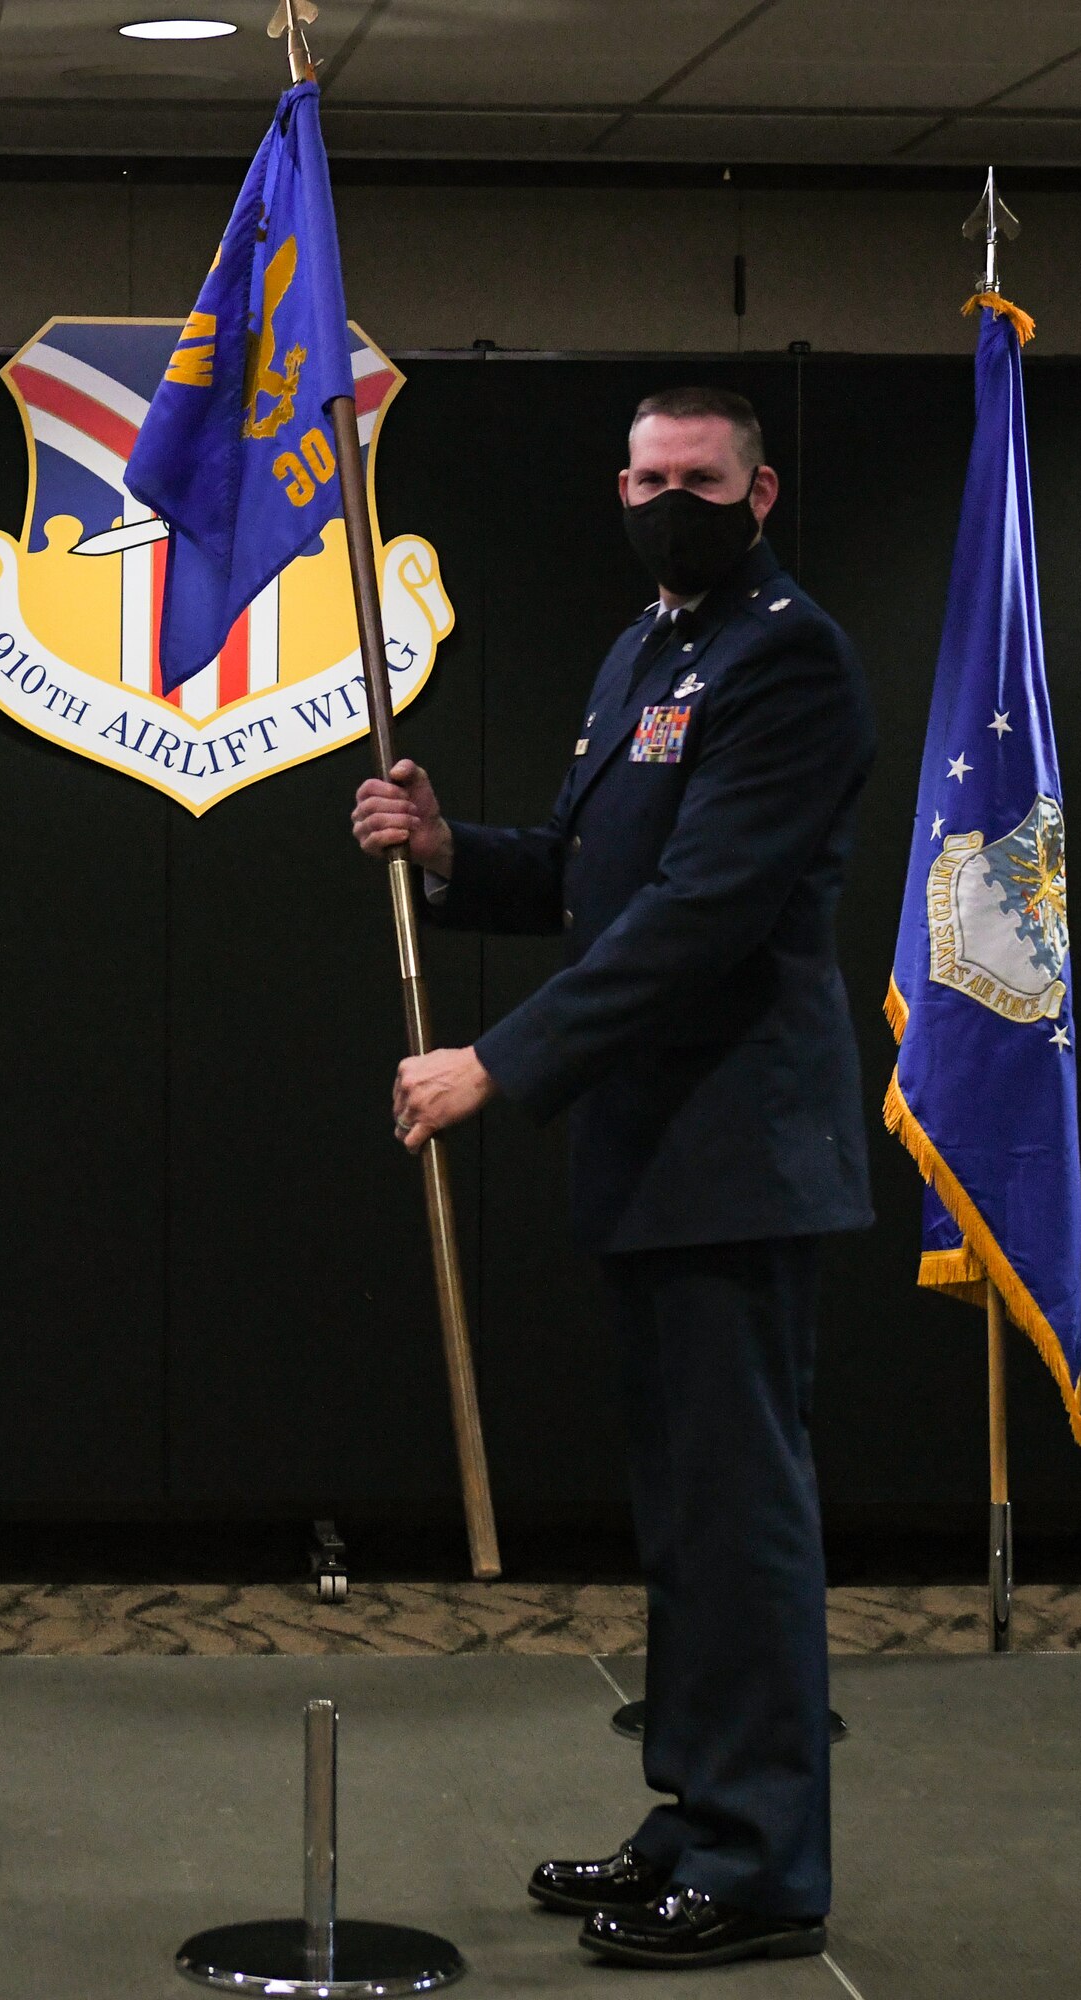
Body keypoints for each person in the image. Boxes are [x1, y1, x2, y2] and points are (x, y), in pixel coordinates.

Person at [351, 385, 875, 1971]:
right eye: (644, 476)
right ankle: (694, 1812)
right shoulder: (648, 646)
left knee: (742, 1522)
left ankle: (763, 1863)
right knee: (687, 1520)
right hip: (654, 1152)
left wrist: (495, 1062)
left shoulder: (788, 657)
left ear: (758, 489)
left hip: (736, 1154)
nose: (666, 500)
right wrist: (453, 855)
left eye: (696, 480)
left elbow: (701, 913)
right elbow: (599, 880)